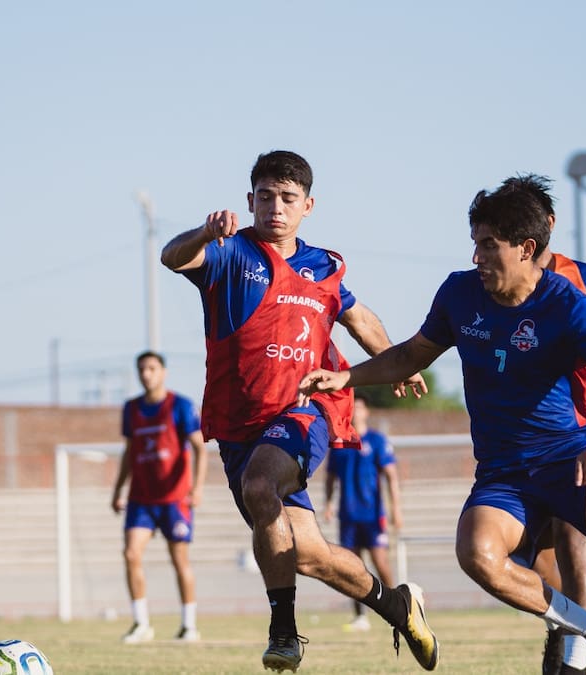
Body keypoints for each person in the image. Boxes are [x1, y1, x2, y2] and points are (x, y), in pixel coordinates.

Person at [298, 175, 586, 675]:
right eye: (475, 244)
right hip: (503, 475)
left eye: (488, 246)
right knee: (477, 555)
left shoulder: (566, 304)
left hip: (570, 459)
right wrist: (344, 376)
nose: (477, 258)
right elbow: (408, 355)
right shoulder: (459, 295)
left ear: (525, 247)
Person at [160, 150, 438, 672]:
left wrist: (396, 362)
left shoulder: (324, 268)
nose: (276, 208)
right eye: (265, 197)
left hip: (304, 413)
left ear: (308, 206)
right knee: (307, 554)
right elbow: (172, 258)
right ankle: (396, 604)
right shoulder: (228, 254)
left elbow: (359, 318)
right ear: (250, 201)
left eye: (288, 199)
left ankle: (283, 633)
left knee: (261, 487)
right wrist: (202, 232)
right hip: (241, 428)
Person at [522, 176, 586, 675]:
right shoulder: (495, 282)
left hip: (580, 426)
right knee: (528, 550)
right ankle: (569, 629)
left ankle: (576, 656)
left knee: (575, 545)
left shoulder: (585, 278)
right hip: (526, 437)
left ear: (545, 227)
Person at [111, 351, 208, 644]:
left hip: (174, 499)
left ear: (163, 372)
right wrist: (118, 490)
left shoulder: (180, 406)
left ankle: (189, 625)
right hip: (141, 498)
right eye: (142, 369)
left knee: (179, 559)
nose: (146, 374)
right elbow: (129, 452)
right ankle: (141, 624)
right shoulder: (131, 409)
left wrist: (197, 487)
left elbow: (200, 448)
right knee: (130, 554)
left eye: (152, 368)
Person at [323, 398, 403, 632]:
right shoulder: (339, 441)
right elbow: (330, 478)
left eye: (359, 407)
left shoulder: (377, 441)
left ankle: (398, 610)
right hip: (348, 516)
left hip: (372, 515)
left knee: (380, 563)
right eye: (353, 407)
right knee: (352, 568)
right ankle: (360, 617)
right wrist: (328, 503)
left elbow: (391, 475)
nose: (356, 411)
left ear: (366, 412)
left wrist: (395, 508)